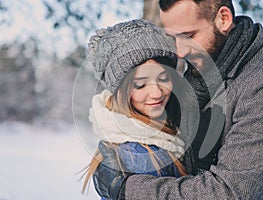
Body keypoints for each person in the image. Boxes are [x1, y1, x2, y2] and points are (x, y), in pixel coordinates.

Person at [92, 0, 263, 199]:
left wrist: (127, 189)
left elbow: (230, 193)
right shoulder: (200, 72)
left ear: (224, 19)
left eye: (189, 35)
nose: (180, 52)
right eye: (175, 38)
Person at [82, 19, 198, 199]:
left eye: (163, 78)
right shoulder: (140, 156)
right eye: (141, 84)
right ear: (120, 91)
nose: (156, 92)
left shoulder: (160, 130)